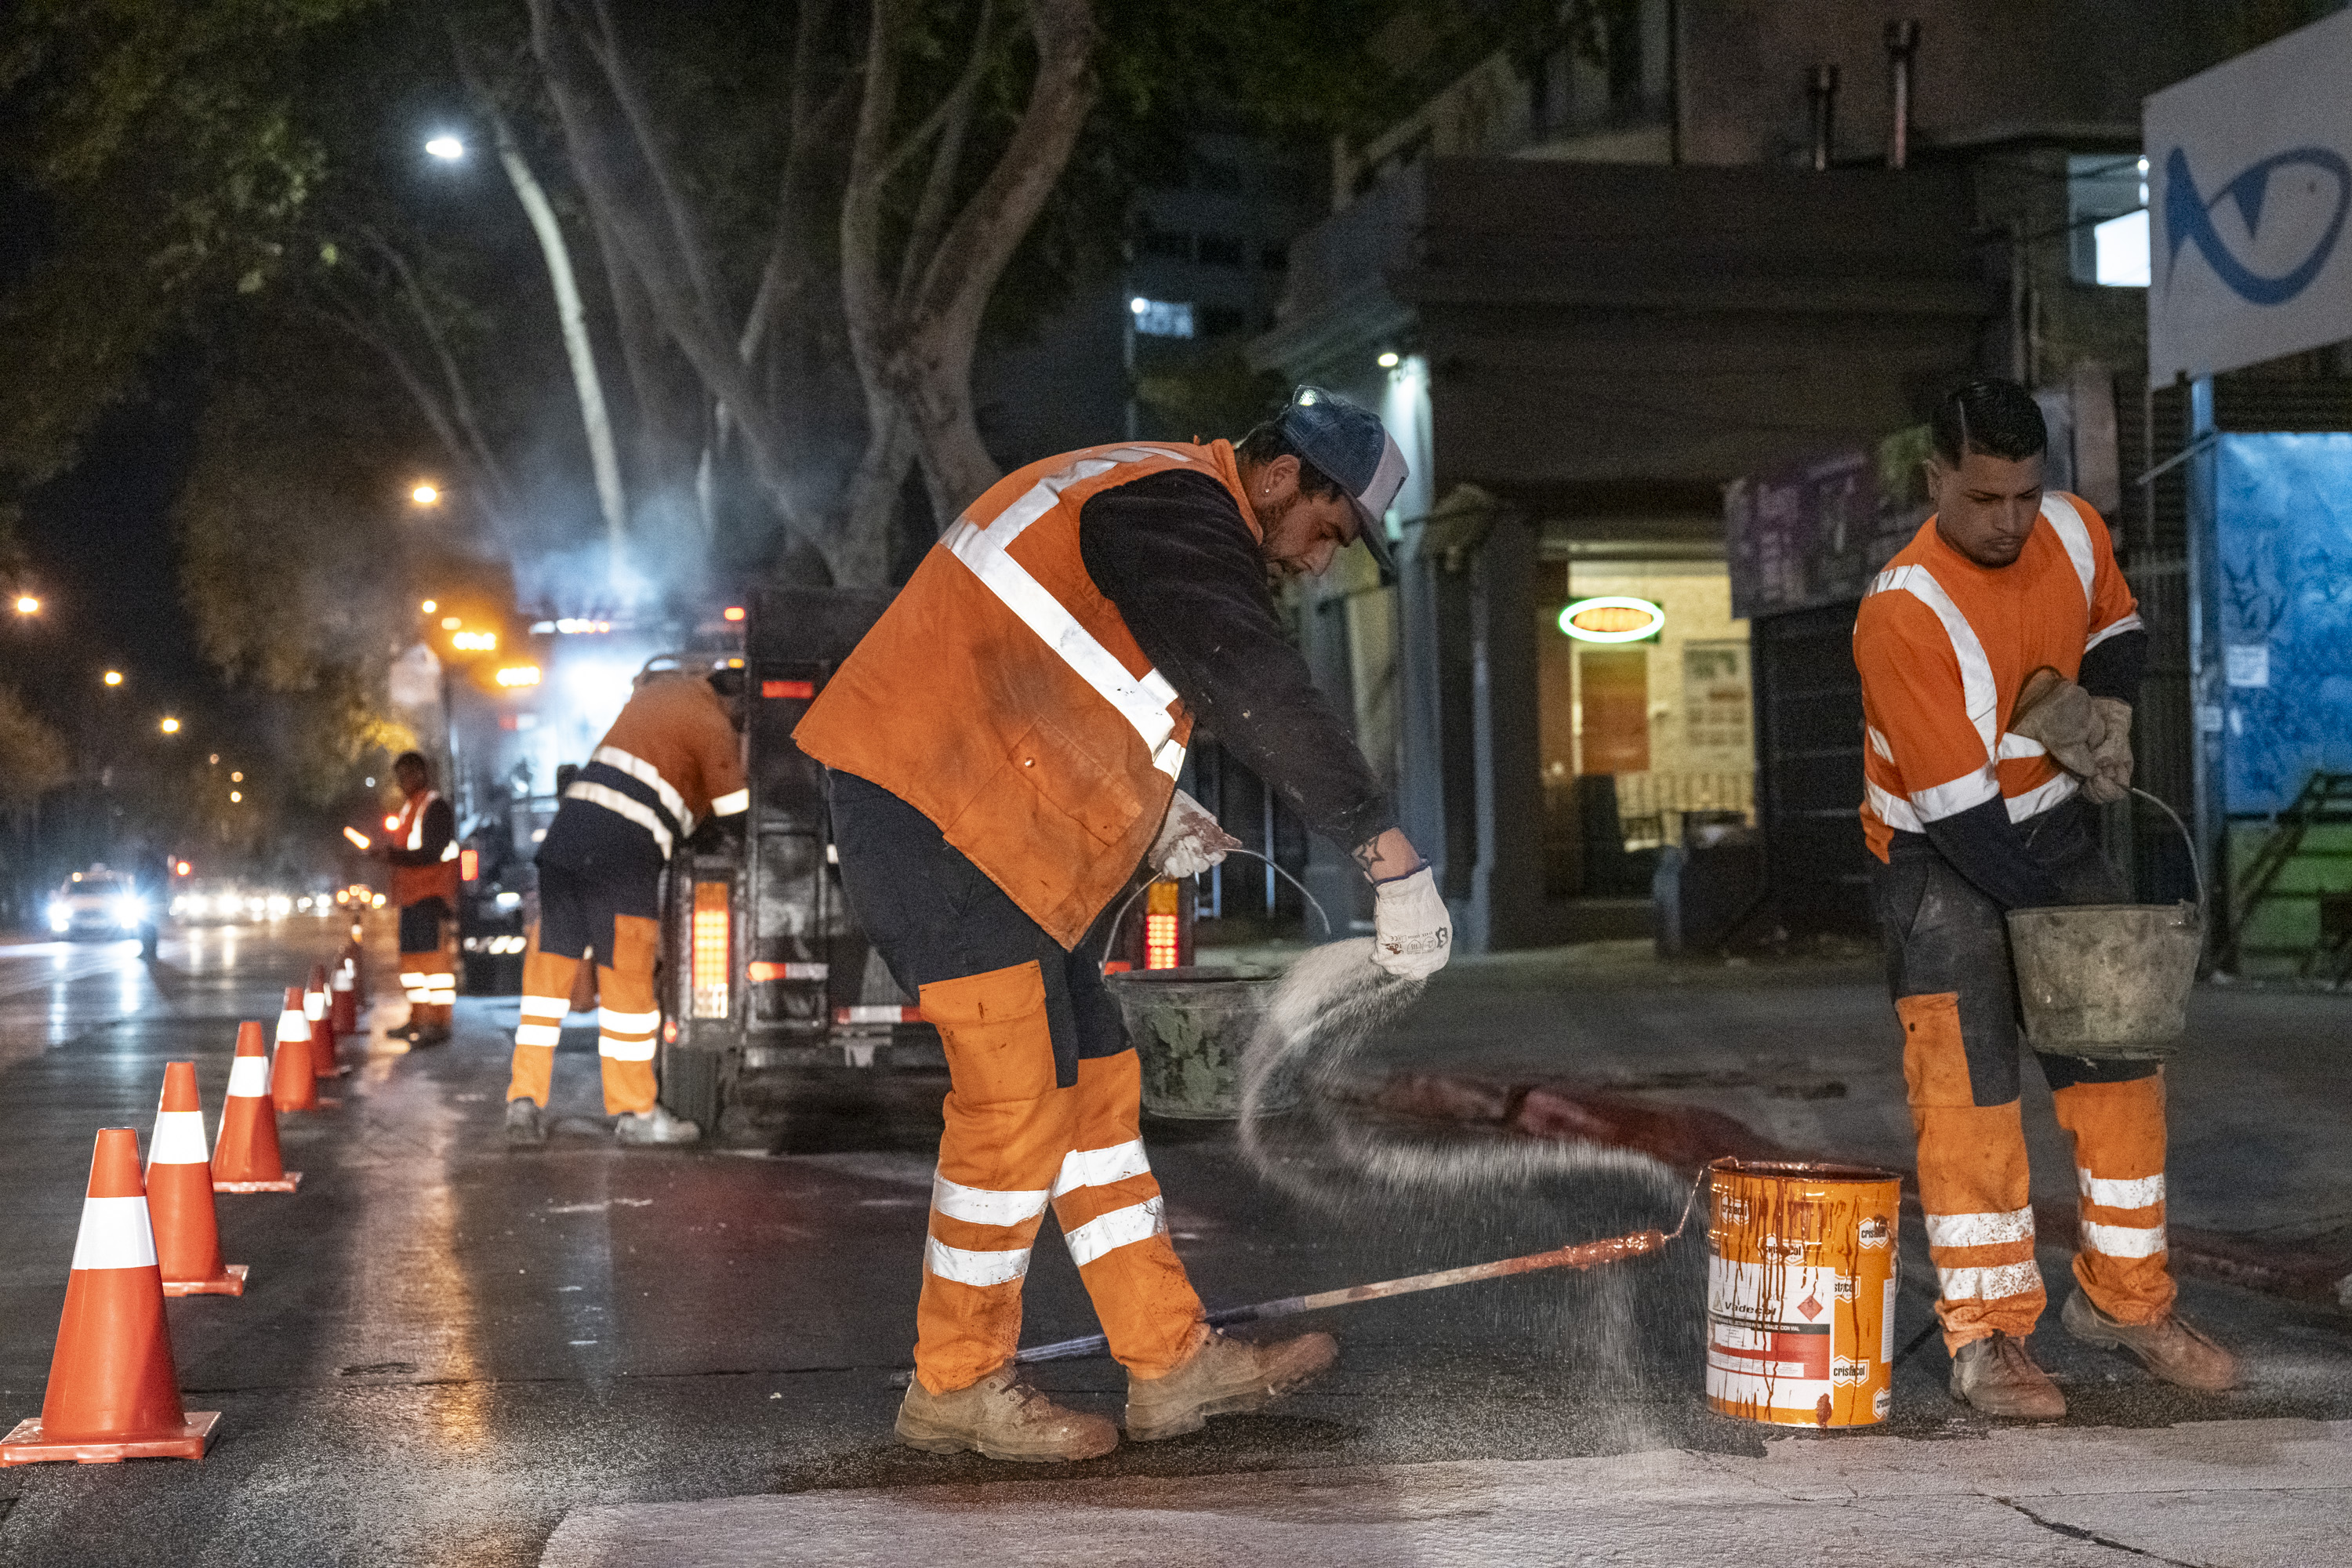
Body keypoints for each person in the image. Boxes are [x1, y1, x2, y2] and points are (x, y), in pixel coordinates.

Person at [793, 386, 1454, 1463]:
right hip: (931, 809)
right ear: (1282, 476)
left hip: (975, 815)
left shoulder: (1145, 505)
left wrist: (1159, 811)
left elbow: (1071, 675)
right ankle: (954, 1383)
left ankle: (1168, 1361)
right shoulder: (1174, 507)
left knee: (1095, 1085)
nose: (1322, 560)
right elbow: (1249, 680)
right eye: (1327, 531)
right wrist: (1387, 853)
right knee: (1015, 1098)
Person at [1854, 378, 2235, 1419]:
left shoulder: (2070, 529)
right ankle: (1987, 1336)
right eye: (1984, 500)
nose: (2011, 521)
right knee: (1973, 1100)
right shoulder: (1903, 612)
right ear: (1936, 477)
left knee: (2120, 1076)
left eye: (2025, 495)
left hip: (2055, 830)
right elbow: (1966, 824)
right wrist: (2059, 938)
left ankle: (2125, 1301)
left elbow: (2118, 623)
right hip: (1941, 862)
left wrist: (2103, 714)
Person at [503, 665, 749, 1147]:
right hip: (621, 857)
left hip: (566, 845)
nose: (741, 729)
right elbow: (735, 811)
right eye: (743, 720)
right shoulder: (712, 720)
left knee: (545, 988)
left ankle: (522, 1104)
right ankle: (637, 1113)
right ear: (734, 702)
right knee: (628, 997)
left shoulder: (656, 697)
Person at [376, 750, 458, 1045]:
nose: (401, 782)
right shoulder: (411, 807)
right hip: (412, 898)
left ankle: (437, 1026)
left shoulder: (433, 807)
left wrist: (392, 855)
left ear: (420, 774)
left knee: (433, 968)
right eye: (398, 777)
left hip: (430, 897)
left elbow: (432, 852)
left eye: (405, 775)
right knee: (413, 967)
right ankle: (419, 1020)